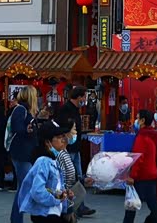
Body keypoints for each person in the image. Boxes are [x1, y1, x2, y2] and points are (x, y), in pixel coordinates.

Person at [18, 120, 73, 223]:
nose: (63, 140)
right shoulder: (43, 162)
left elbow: (53, 187)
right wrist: (56, 199)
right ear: (48, 142)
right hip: (46, 214)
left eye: (63, 136)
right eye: (58, 137)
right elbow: (37, 191)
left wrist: (63, 193)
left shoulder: (53, 160)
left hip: (53, 212)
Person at [56, 86, 96, 218]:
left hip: (76, 148)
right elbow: (63, 127)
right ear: (78, 97)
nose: (85, 99)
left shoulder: (75, 110)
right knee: (70, 177)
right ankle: (72, 206)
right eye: (84, 96)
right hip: (68, 148)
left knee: (77, 176)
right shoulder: (65, 109)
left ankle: (79, 205)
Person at [10, 85, 39, 223]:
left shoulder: (27, 110)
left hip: (26, 152)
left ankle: (17, 217)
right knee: (24, 187)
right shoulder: (20, 109)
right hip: (21, 152)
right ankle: (16, 218)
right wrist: (27, 130)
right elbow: (17, 127)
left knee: (25, 186)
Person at [124, 110, 157, 223]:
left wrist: (132, 176)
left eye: (138, 118)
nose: (136, 121)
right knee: (152, 204)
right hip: (151, 172)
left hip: (142, 175)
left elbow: (138, 158)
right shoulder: (153, 134)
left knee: (131, 205)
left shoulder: (142, 136)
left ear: (143, 120)